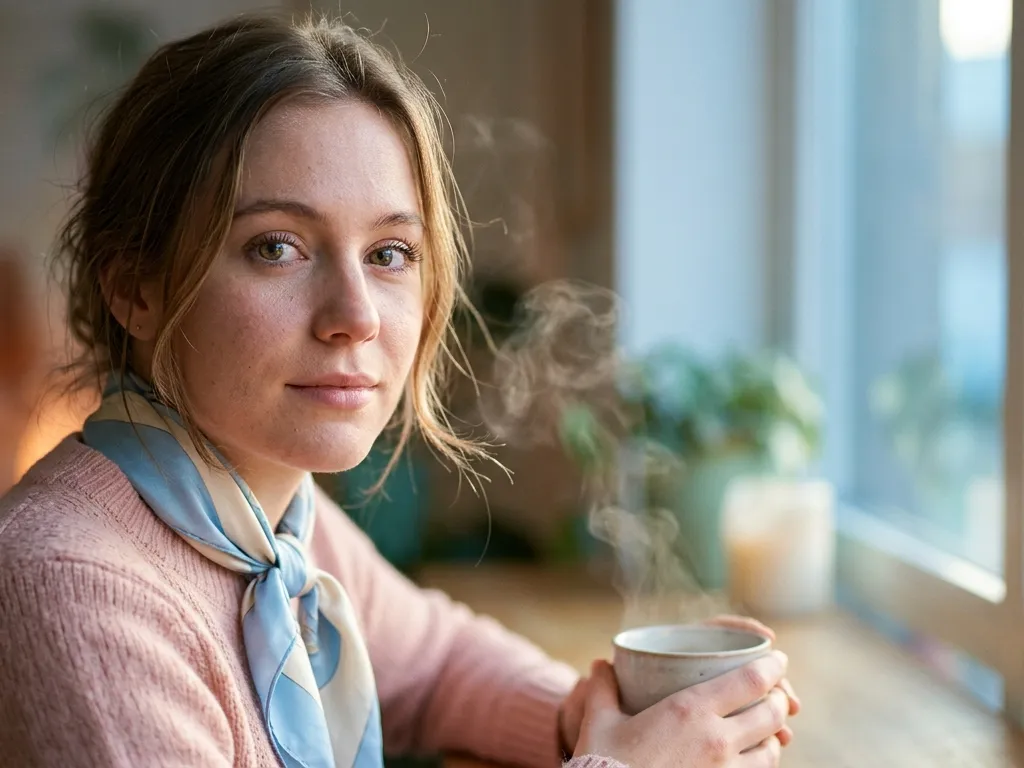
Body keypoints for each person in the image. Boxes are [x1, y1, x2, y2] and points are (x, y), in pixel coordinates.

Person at [0, 14, 798, 768]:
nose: (355, 318)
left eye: (388, 253)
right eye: (275, 247)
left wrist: (591, 718)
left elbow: (439, 662)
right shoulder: (73, 585)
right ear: (133, 286)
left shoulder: (272, 525)